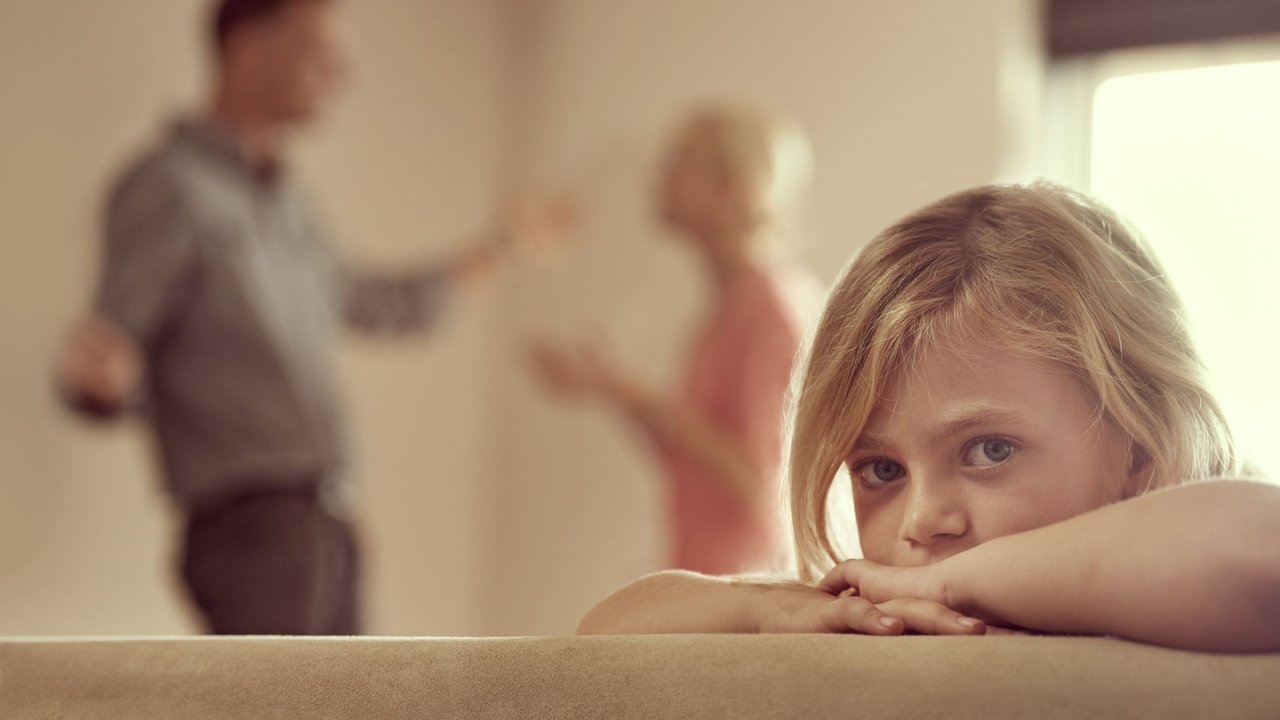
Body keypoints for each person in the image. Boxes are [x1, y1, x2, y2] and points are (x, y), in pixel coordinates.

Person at [576, 181, 1280, 653]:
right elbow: (605, 635)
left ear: (1138, 454)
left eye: (989, 451)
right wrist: (771, 607)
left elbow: (1260, 548)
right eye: (880, 469)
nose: (921, 521)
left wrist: (942, 582)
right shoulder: (879, 615)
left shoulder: (1186, 590)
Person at [55, 0, 569, 635]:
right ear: (247, 48)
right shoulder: (168, 185)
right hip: (252, 529)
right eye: (318, 51)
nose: (341, 73)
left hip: (328, 523)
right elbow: (110, 354)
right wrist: (98, 385)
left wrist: (502, 251)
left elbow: (374, 303)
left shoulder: (292, 203)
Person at [531, 105, 823, 576]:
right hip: (712, 575)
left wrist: (635, 393)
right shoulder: (731, 302)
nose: (659, 178)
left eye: (680, 163)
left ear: (734, 188)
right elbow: (692, 458)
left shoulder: (772, 308)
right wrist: (614, 389)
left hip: (747, 588)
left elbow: (759, 480)